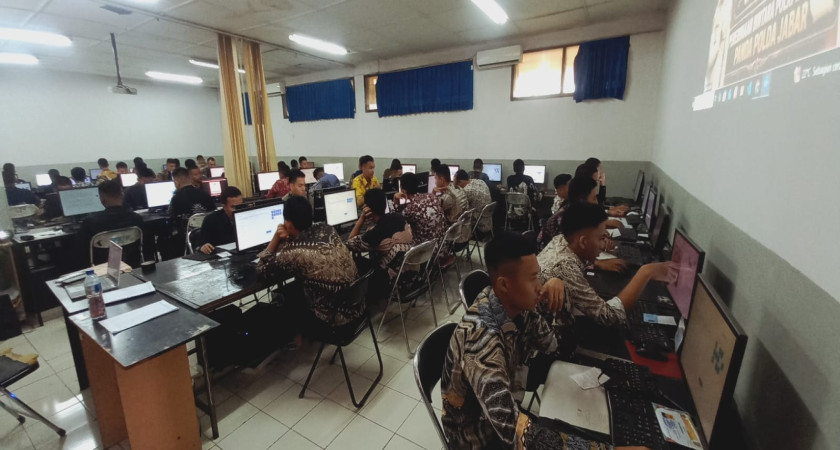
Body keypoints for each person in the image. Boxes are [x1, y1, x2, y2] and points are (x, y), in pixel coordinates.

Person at [441, 232, 602, 449]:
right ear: (505, 284)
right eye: (533, 277)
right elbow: (512, 428)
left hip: (503, 407)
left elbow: (554, 345)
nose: (539, 285)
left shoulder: (515, 305)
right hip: (477, 437)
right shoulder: (481, 345)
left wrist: (557, 293)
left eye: (539, 275)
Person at [537, 202, 676, 329]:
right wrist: (646, 272)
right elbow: (610, 317)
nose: (604, 243)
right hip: (549, 335)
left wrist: (597, 244)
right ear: (583, 242)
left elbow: (582, 252)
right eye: (601, 238)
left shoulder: (561, 240)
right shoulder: (565, 266)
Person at [257, 196, 358, 345]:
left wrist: (275, 239)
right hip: (355, 308)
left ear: (288, 223)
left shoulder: (294, 252)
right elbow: (305, 244)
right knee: (297, 286)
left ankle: (293, 339)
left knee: (287, 294)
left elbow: (261, 271)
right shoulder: (327, 229)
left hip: (333, 321)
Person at [346, 189, 417, 298]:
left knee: (356, 261)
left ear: (367, 208)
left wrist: (361, 219)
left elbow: (349, 243)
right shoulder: (398, 217)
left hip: (396, 284)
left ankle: (363, 299)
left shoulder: (374, 234)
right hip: (413, 276)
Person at [78, 180, 144, 266]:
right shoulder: (136, 218)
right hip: (132, 264)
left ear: (102, 199)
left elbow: (81, 249)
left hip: (102, 268)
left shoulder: (90, 222)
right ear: (122, 194)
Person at [393, 172, 446, 245]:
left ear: (403, 190)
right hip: (442, 246)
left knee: (397, 241)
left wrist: (395, 201)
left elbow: (396, 221)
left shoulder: (410, 208)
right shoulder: (432, 196)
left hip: (426, 252)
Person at [197, 186, 243, 254]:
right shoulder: (211, 220)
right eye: (233, 207)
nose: (238, 210)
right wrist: (203, 247)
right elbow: (200, 244)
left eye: (240, 206)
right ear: (224, 206)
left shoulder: (246, 216)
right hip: (221, 257)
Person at [434, 164, 469, 247]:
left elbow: (433, 213)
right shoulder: (459, 189)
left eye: (435, 179)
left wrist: (432, 194)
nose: (435, 182)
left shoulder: (447, 197)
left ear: (442, 179)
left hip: (453, 240)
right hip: (466, 235)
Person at [454, 169, 492, 234]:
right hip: (487, 217)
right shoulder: (480, 181)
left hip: (479, 219)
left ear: (460, 182)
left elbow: (458, 204)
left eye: (456, 184)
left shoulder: (467, 190)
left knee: (454, 216)